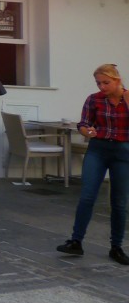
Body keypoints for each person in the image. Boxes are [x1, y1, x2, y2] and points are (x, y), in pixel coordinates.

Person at [57, 64, 129, 265]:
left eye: (106, 82)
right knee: (87, 195)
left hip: (123, 152)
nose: (102, 86)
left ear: (117, 80)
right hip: (98, 150)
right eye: (98, 83)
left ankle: (116, 247)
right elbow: (83, 124)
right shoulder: (94, 99)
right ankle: (76, 242)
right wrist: (86, 131)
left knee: (119, 201)